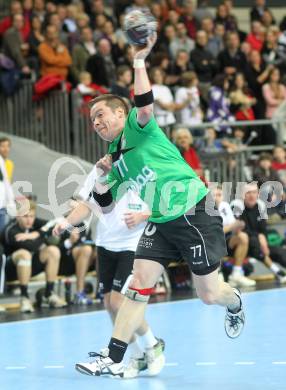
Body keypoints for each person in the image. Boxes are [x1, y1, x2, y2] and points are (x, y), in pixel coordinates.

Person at [53, 33, 245, 377]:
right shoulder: (114, 160)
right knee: (137, 283)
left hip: (194, 212)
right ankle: (112, 356)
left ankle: (234, 303)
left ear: (119, 113)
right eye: (92, 120)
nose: (96, 123)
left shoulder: (139, 129)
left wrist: (139, 60)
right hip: (159, 221)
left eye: (101, 115)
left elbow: (143, 102)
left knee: (210, 294)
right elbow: (104, 203)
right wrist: (100, 175)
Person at [77, 175, 164, 378]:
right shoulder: (100, 171)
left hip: (131, 245)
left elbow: (163, 207)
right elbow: (86, 203)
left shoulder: (143, 172)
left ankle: (152, 344)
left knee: (119, 302)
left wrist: (143, 215)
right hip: (105, 244)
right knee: (109, 304)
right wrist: (66, 222)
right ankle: (137, 355)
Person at [2, 200, 67, 313]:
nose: (29, 220)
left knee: (53, 250)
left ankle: (49, 294)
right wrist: (43, 234)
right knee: (24, 253)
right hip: (10, 271)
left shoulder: (34, 223)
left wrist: (36, 234)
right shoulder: (10, 230)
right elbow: (30, 246)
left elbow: (57, 224)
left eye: (31, 216)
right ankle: (24, 297)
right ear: (17, 216)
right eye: (25, 216)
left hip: (30, 267)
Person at [213, 186, 256, 288]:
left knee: (243, 236)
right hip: (212, 243)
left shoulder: (225, 205)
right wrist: (231, 226)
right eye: (214, 195)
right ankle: (218, 274)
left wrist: (238, 226)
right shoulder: (206, 209)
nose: (217, 197)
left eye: (219, 195)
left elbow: (233, 225)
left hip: (226, 240)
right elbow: (213, 233)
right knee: (214, 239)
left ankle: (236, 274)